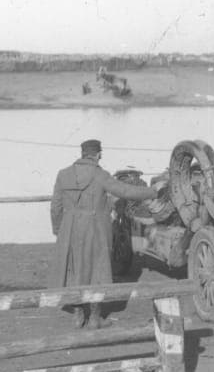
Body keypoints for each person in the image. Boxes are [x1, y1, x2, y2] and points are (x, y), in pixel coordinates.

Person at [51, 139, 157, 328]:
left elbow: (55, 207)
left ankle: (78, 315)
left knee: (75, 271)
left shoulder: (63, 174)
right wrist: (152, 192)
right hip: (96, 229)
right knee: (97, 270)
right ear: (98, 154)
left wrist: (59, 231)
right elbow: (125, 190)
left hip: (70, 230)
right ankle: (94, 318)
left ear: (82, 153)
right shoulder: (100, 175)